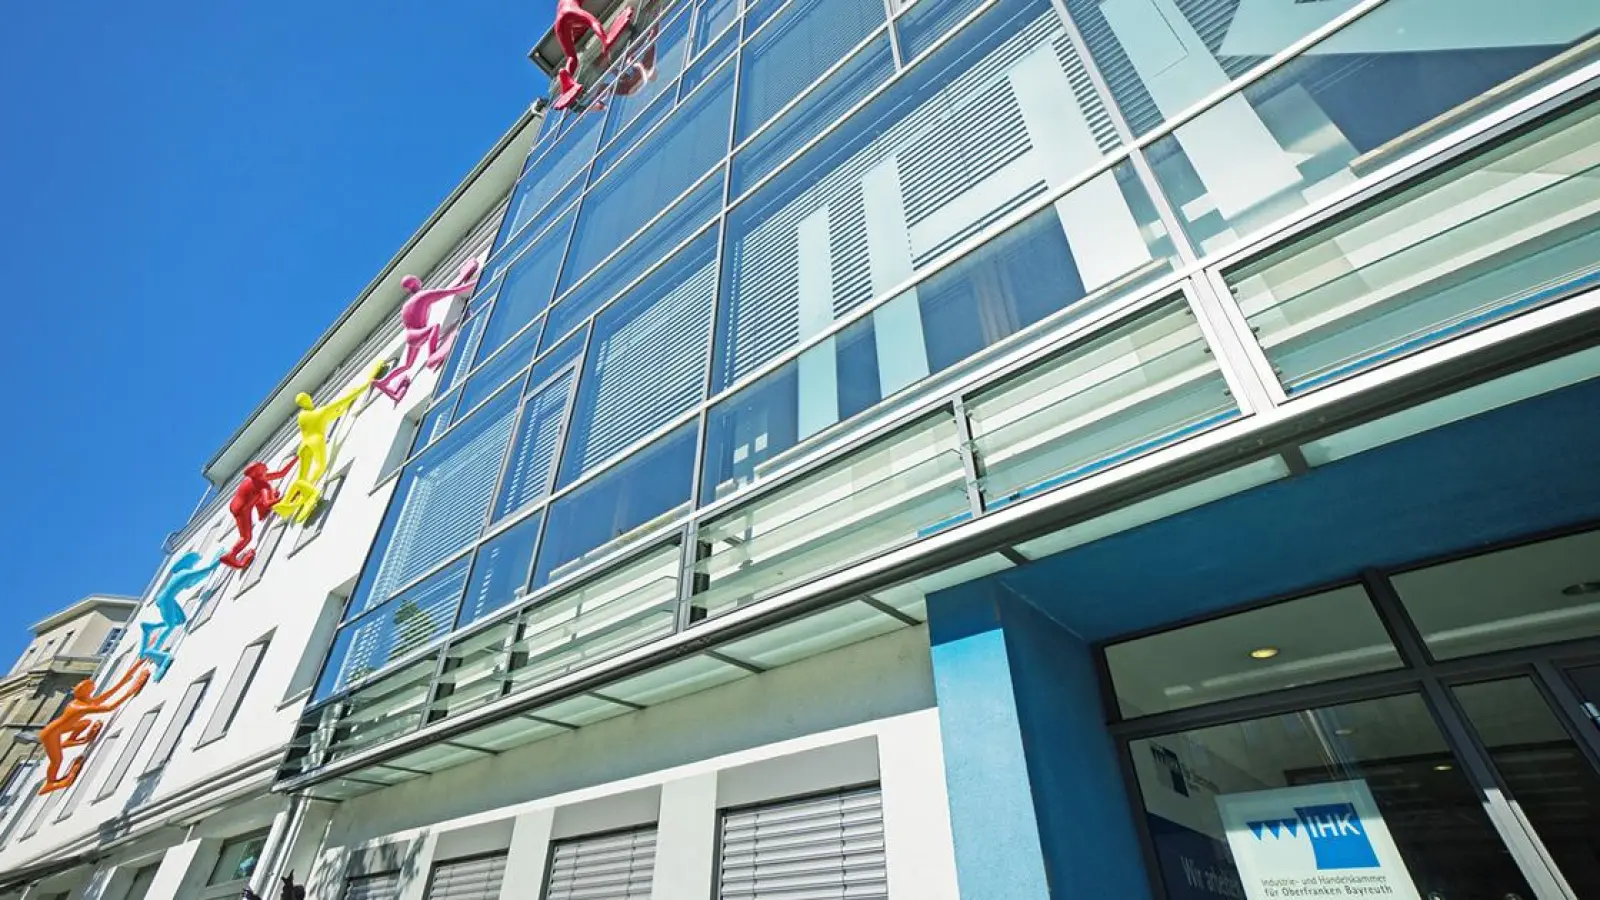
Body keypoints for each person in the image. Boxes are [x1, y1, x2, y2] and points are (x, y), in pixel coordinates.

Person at [273, 361, 385, 524]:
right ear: (308, 400)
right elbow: (346, 400)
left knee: (302, 477)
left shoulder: (302, 417)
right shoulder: (320, 412)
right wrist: (370, 378)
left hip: (303, 447)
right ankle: (309, 495)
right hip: (315, 442)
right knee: (319, 469)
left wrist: (341, 409)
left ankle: (287, 503)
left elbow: (334, 414)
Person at [371, 260, 480, 404]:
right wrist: (475, 282)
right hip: (417, 334)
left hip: (412, 335)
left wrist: (462, 279)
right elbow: (449, 292)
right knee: (434, 328)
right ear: (415, 284)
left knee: (407, 365)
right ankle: (432, 354)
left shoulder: (408, 303)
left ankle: (384, 383)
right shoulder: (422, 296)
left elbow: (444, 292)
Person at [38, 663, 151, 793]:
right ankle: (50, 783)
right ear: (85, 691)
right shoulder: (79, 707)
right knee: (57, 760)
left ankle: (69, 741)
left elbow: (107, 695)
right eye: (91, 687)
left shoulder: (84, 701)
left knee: (85, 722)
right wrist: (132, 690)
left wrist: (130, 673)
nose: (93, 688)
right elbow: (109, 707)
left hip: (63, 728)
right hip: (51, 733)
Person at [138, 550, 223, 680]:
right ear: (190, 563)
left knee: (180, 620)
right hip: (166, 600)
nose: (195, 564)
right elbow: (205, 571)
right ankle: (152, 652)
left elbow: (193, 582)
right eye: (194, 562)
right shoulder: (185, 574)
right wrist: (220, 557)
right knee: (170, 626)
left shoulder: (180, 573)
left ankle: (149, 629)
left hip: (167, 599)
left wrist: (212, 564)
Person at [553, 0, 633, 110]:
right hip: (570, 11)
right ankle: (606, 40)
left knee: (571, 57)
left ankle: (567, 82)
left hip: (559, 23)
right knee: (592, 22)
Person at [221, 455, 298, 569]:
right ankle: (230, 556)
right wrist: (284, 498)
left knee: (259, 496)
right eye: (261, 466)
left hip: (237, 503)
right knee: (246, 537)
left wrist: (296, 458)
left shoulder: (254, 479)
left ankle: (262, 512)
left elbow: (281, 473)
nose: (264, 465)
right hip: (241, 510)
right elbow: (267, 502)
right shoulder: (263, 484)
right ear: (258, 472)